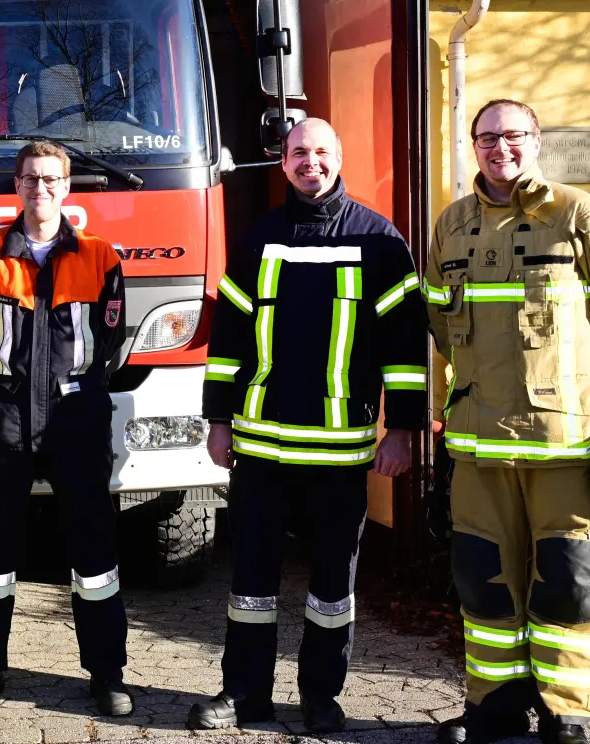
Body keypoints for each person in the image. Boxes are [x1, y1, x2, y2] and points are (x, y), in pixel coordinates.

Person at [428, 100, 590, 744]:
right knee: (485, 586)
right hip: (479, 448)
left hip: (567, 442)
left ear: (535, 141)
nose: (499, 147)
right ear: (473, 146)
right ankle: (495, 709)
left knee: (568, 584)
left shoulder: (582, 217)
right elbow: (441, 330)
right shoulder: (451, 226)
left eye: (512, 136)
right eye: (486, 138)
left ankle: (567, 713)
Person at [186, 118, 429, 732]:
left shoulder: (380, 241)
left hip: (341, 454)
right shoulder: (258, 239)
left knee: (330, 587)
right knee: (251, 583)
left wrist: (399, 431)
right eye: (298, 153)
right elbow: (229, 342)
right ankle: (243, 694)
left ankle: (321, 697)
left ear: (338, 158)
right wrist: (217, 420)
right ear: (284, 162)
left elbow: (404, 347)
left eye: (321, 152)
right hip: (260, 447)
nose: (309, 162)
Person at [0, 140, 132, 718]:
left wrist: (71, 385)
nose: (41, 188)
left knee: (93, 550)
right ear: (17, 185)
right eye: (30, 178)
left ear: (67, 186)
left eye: (51, 179)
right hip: (6, 414)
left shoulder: (101, 256)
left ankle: (107, 675)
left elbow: (111, 336)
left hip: (76, 415)